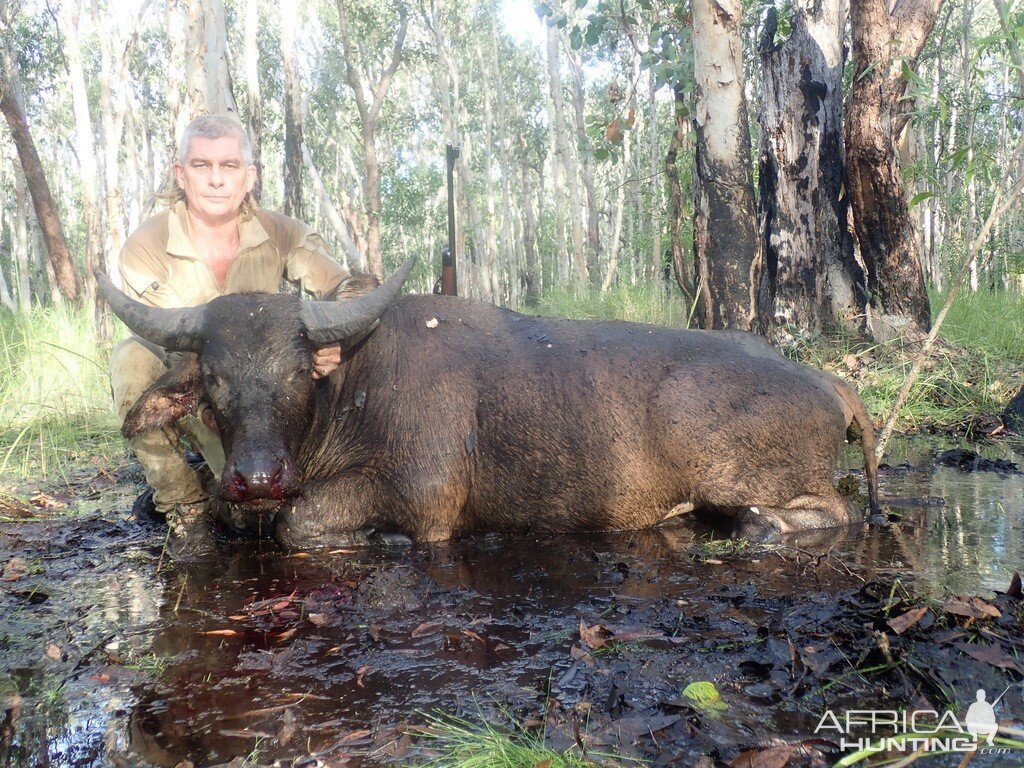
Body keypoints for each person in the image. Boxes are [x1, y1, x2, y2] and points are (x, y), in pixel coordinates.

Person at [109, 114, 350, 557]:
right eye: (201, 166)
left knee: (270, 517)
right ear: (181, 175)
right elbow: (178, 358)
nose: (216, 180)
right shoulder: (144, 248)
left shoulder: (283, 232)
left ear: (249, 177)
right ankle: (185, 510)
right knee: (130, 359)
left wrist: (328, 344)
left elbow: (348, 289)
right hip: (201, 393)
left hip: (267, 403)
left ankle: (216, 479)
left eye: (230, 166)